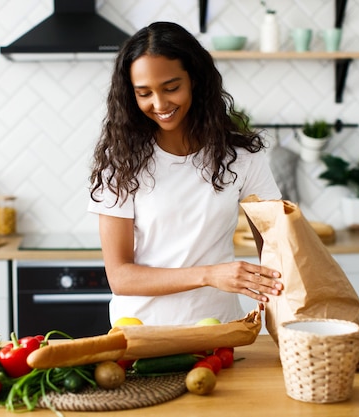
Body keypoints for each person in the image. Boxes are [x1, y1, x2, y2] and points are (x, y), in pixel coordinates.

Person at [88, 21, 283, 326]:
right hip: (141, 334)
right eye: (144, 93)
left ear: (195, 80)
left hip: (220, 330)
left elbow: (276, 248)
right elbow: (120, 276)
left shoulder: (242, 157)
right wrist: (209, 274)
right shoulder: (122, 163)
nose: (160, 103)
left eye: (171, 88)